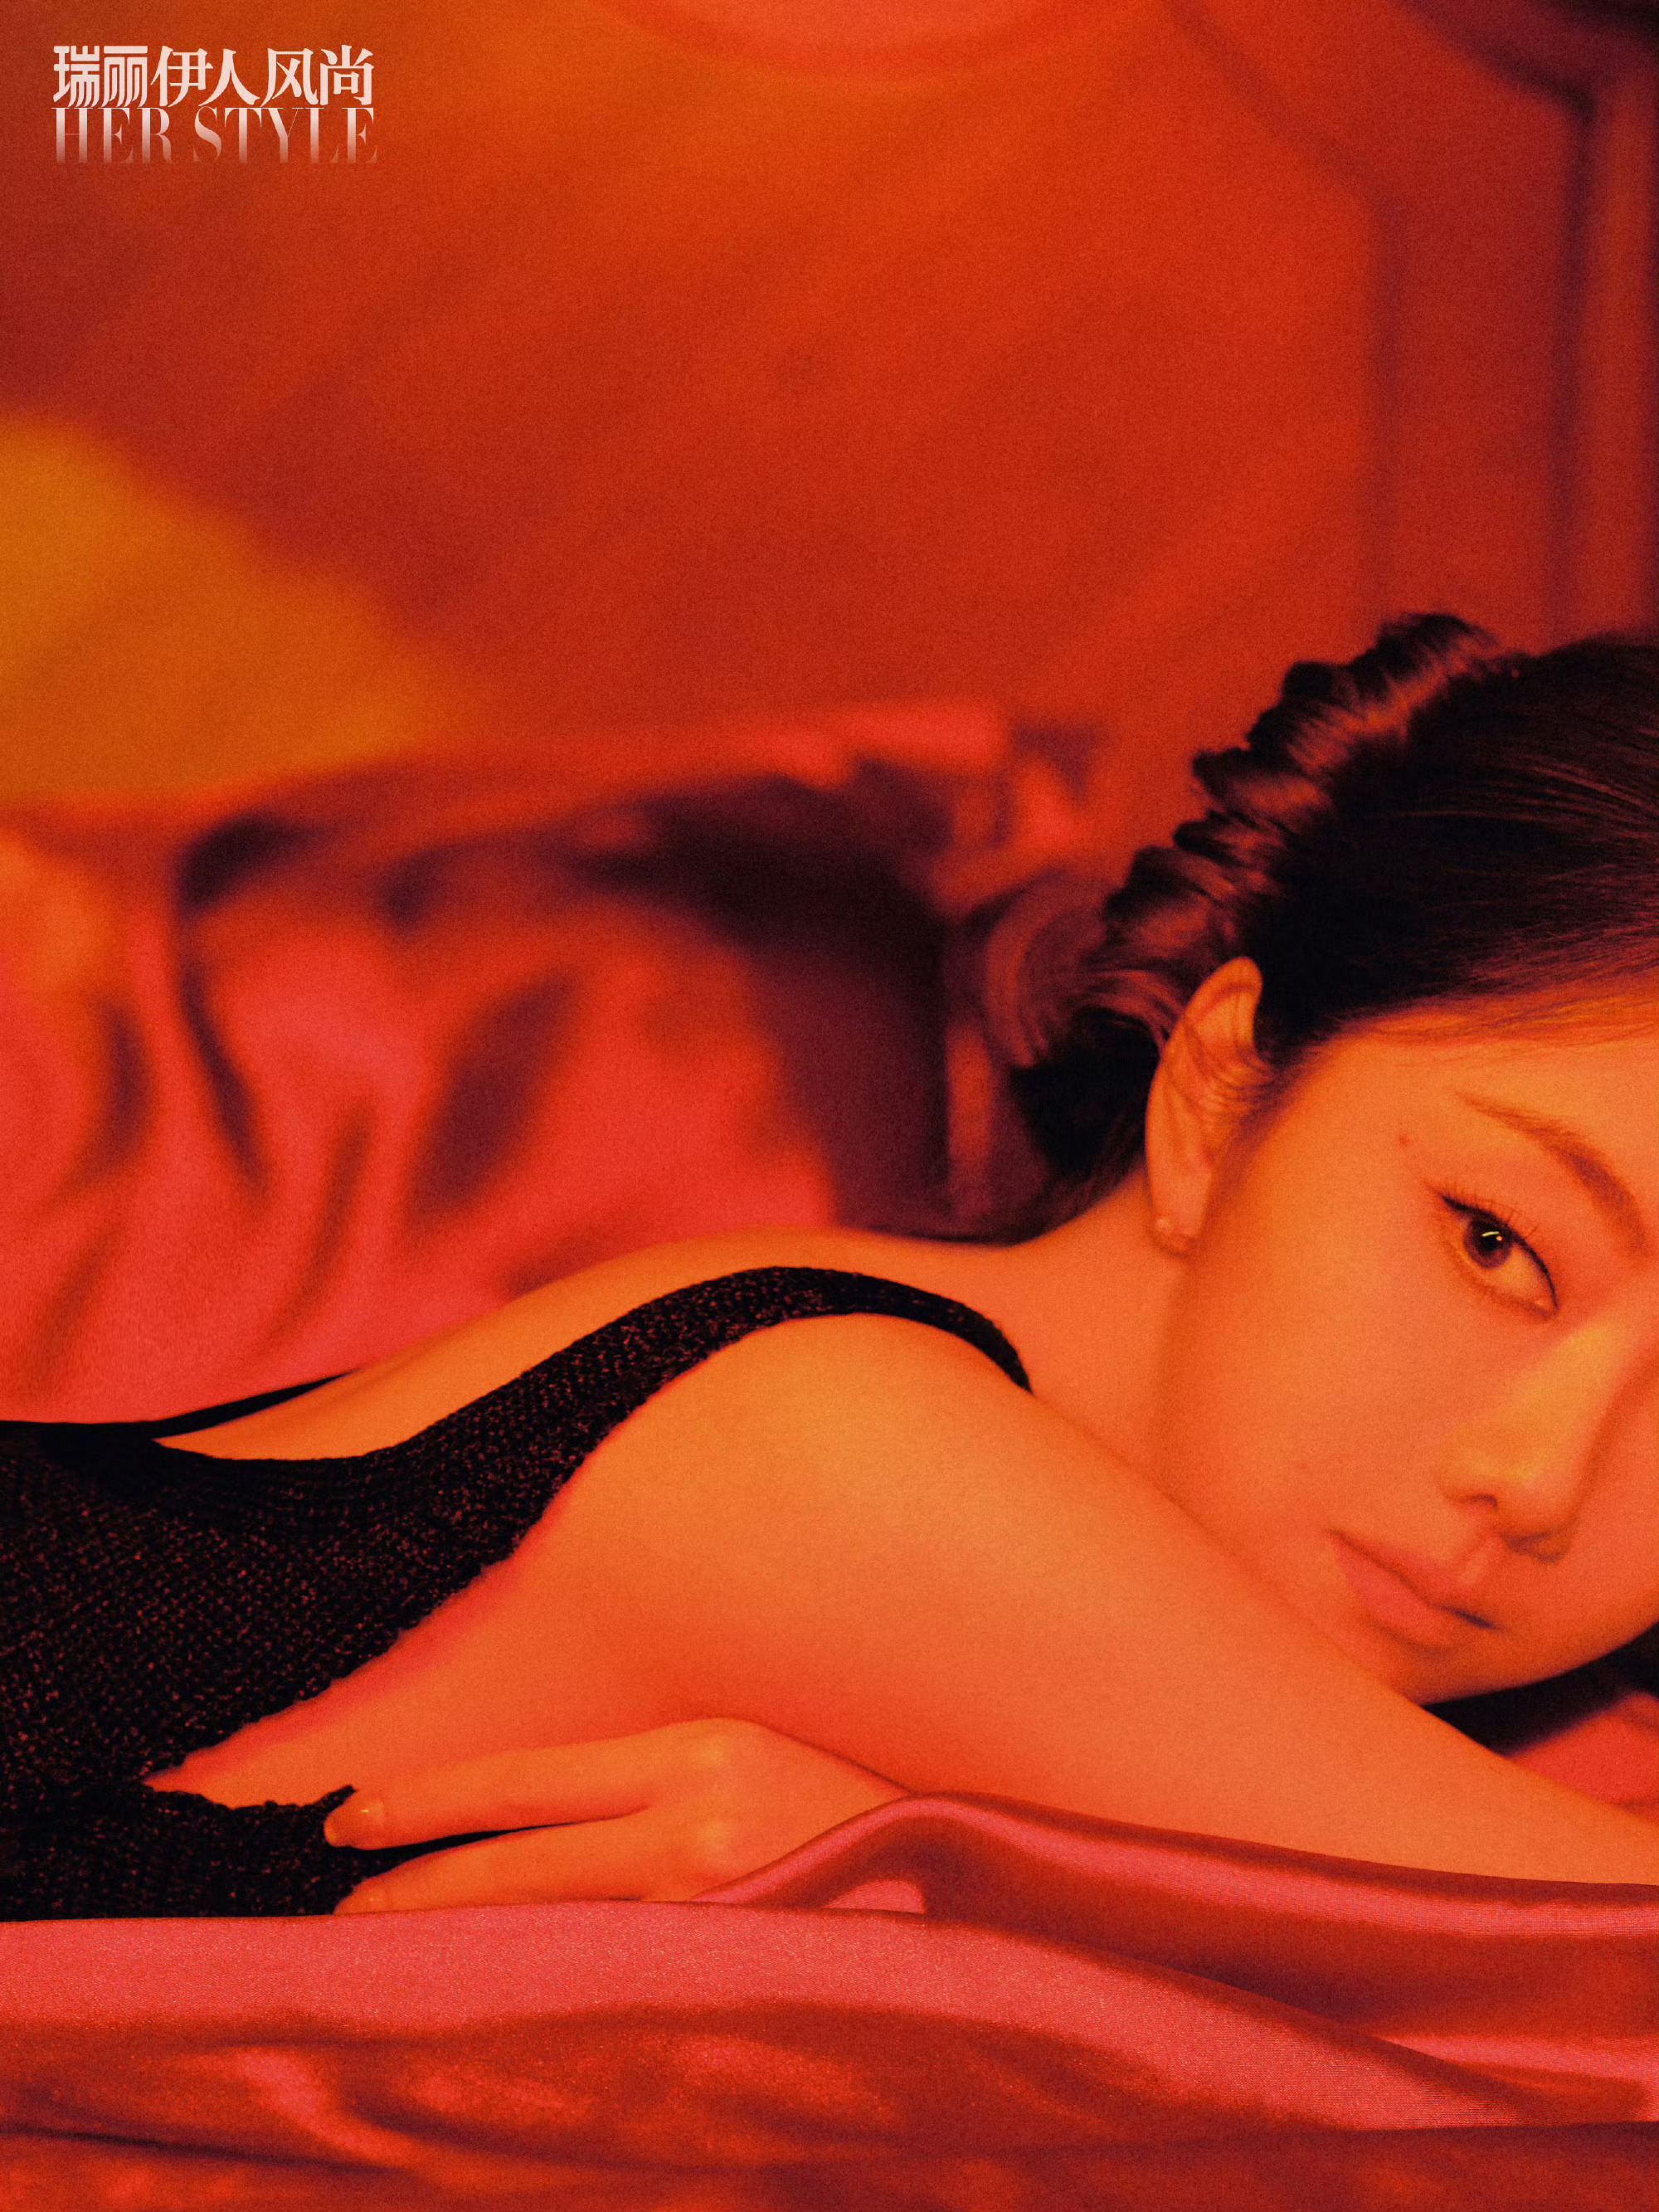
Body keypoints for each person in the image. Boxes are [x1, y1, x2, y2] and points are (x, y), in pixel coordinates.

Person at [4, 614, 1655, 1918]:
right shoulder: (845, 1458)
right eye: (1494, 1243)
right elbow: (1577, 1964)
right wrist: (994, 1882)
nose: (1535, 1477)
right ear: (1222, 1089)